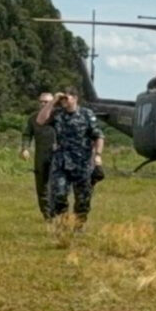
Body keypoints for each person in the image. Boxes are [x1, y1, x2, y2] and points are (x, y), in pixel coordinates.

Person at [36, 87, 104, 226]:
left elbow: (98, 136)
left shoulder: (86, 114)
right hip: (61, 163)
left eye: (66, 98)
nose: (64, 101)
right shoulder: (57, 114)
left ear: (75, 98)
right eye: (62, 99)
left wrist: (97, 156)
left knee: (83, 200)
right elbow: (40, 121)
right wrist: (53, 101)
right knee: (59, 196)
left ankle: (78, 227)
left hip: (82, 163)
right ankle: (62, 225)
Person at [20, 92, 57, 219]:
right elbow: (27, 134)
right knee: (42, 186)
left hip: (57, 155)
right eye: (41, 102)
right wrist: (25, 148)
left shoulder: (59, 117)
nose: (43, 104)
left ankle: (58, 212)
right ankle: (47, 215)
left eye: (46, 102)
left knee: (56, 185)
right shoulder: (33, 119)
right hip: (41, 155)